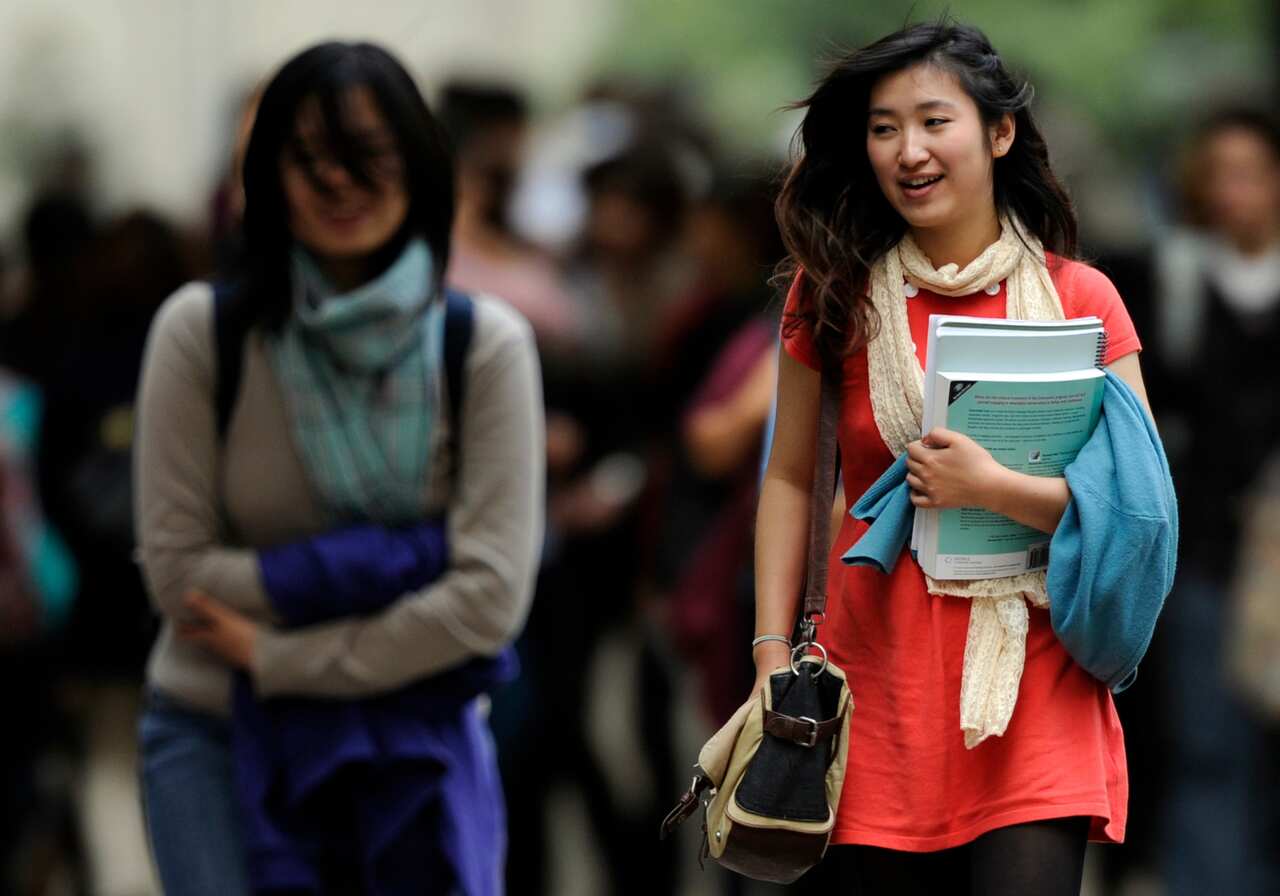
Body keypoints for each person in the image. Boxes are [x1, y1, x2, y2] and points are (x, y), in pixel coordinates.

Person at [133, 42, 543, 895]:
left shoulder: (485, 347)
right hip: (218, 732)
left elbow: (488, 603)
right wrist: (420, 562)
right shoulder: (200, 333)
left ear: (421, 165)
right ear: (262, 176)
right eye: (306, 158)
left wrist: (279, 654)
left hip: (414, 743)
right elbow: (178, 578)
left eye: (368, 155)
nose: (338, 183)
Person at [756, 21, 1152, 895]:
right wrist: (770, 650)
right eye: (884, 127)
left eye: (935, 122)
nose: (909, 150)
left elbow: (1139, 510)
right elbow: (788, 479)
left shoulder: (1081, 302)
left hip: (1035, 679)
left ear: (998, 133)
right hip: (874, 690)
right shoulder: (832, 299)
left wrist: (996, 489)